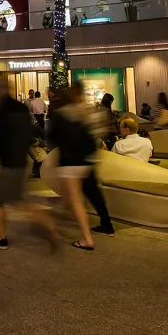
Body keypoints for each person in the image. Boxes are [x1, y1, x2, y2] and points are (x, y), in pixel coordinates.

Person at [0, 77, 59, 251]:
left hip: (6, 163)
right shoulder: (21, 108)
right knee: (18, 200)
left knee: (0, 202)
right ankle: (46, 223)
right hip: (21, 162)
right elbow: (34, 131)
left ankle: (2, 237)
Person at [49, 84, 114, 249]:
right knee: (75, 196)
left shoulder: (62, 113)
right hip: (86, 160)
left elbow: (52, 136)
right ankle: (57, 220)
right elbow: (97, 135)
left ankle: (86, 238)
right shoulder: (88, 112)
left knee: (75, 199)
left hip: (69, 161)